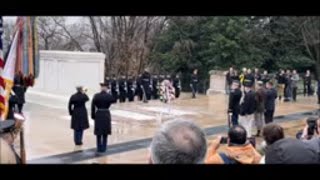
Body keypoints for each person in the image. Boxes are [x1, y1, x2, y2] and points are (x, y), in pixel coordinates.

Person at [91, 83, 117, 154]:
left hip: (98, 113)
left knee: (99, 133)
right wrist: (112, 92)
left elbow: (93, 106)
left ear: (101, 88)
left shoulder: (96, 96)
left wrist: (93, 116)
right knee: (105, 132)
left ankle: (99, 147)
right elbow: (114, 100)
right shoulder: (109, 96)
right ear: (106, 88)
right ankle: (104, 148)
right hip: (106, 114)